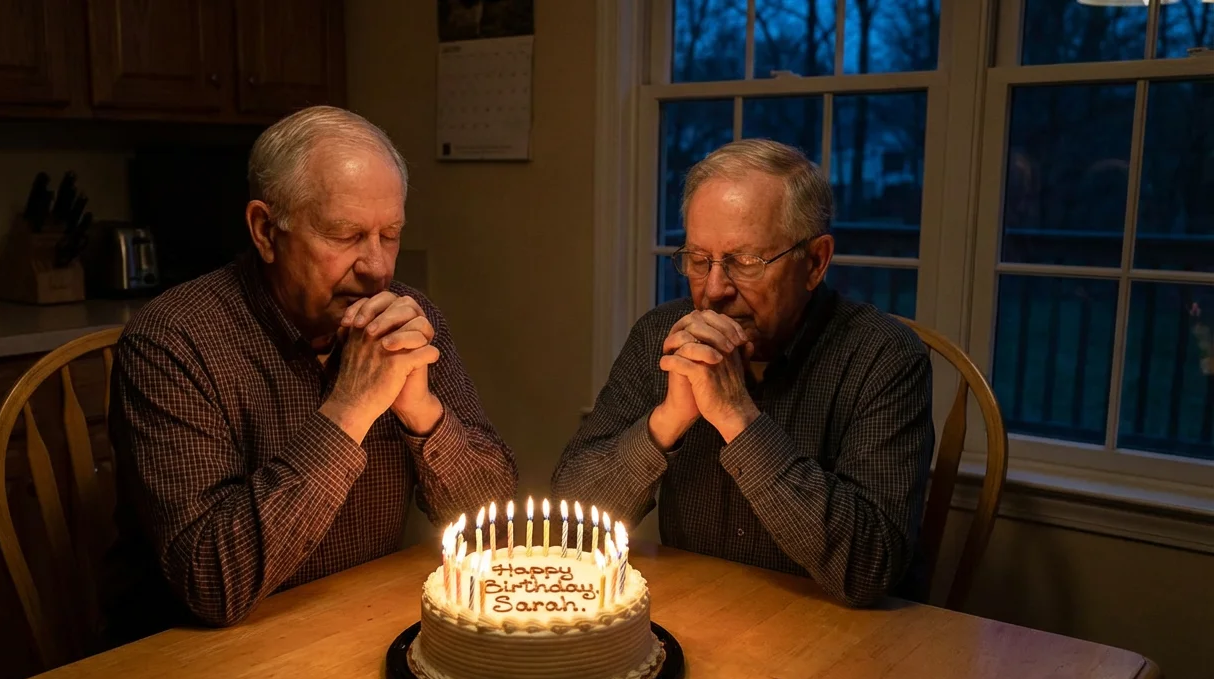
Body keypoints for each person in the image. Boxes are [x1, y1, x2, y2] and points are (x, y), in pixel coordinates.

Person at [103, 106, 516, 640]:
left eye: (389, 234)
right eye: (346, 236)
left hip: (348, 625)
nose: (377, 268)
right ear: (265, 231)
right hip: (193, 662)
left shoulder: (409, 316)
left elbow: (498, 529)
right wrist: (351, 407)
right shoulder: (172, 340)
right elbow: (212, 584)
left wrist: (423, 415)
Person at [553, 139, 934, 607]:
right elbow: (565, 527)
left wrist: (738, 417)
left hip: (832, 632)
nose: (714, 290)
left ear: (815, 262)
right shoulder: (662, 334)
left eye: (745, 262)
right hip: (703, 616)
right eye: (698, 260)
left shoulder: (882, 355)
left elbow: (870, 567)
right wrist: (666, 422)